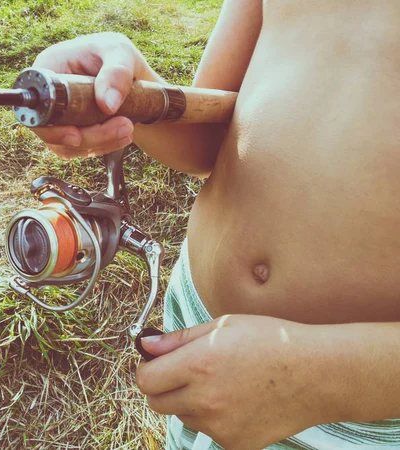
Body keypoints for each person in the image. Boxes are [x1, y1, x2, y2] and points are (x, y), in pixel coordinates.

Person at [31, 0, 400, 448]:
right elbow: (208, 141)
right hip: (199, 323)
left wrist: (325, 377)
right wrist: (123, 88)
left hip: (353, 402)